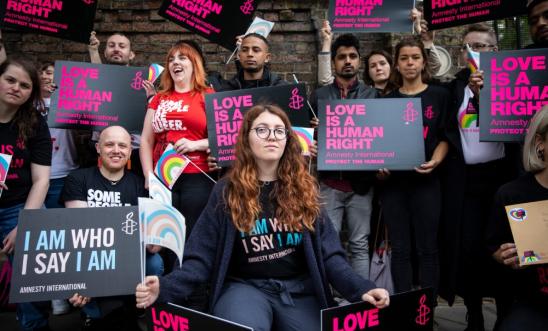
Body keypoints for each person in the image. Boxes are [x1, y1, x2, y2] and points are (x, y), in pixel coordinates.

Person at [135, 104, 390, 331]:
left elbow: (331, 256)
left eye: (279, 131)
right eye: (262, 130)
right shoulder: (226, 190)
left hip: (297, 292)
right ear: (246, 139)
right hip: (244, 289)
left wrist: (362, 289)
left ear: (287, 141)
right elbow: (200, 258)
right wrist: (166, 287)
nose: (272, 137)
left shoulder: (304, 189)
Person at [430, 23, 514, 331]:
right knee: (468, 251)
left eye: (482, 46)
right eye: (470, 47)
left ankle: (505, 313)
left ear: (495, 51)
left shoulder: (509, 84)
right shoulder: (456, 88)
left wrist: (485, 94)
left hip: (500, 181)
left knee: (502, 249)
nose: (475, 52)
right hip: (465, 183)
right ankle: (474, 313)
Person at [60, 125, 163, 330]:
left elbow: (153, 246)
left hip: (127, 258)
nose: (116, 150)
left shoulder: (140, 185)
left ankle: (135, 305)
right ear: (98, 148)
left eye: (122, 146)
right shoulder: (78, 179)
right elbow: (82, 234)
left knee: (154, 262)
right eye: (109, 144)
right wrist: (86, 281)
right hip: (92, 257)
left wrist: (156, 237)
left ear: (129, 150)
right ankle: (95, 310)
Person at [380, 38, 450, 299]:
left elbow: (446, 136)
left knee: (428, 249)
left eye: (415, 58)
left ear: (423, 62)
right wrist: (380, 168)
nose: (410, 63)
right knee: (400, 249)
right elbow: (379, 142)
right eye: (404, 58)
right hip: (394, 185)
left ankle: (427, 311)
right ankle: (403, 311)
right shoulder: (386, 100)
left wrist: (436, 161)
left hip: (427, 183)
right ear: (396, 64)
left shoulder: (439, 95)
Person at [311, 33, 376, 281]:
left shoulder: (373, 96)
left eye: (352, 56)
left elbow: (380, 136)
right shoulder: (319, 96)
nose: (347, 61)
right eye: (341, 57)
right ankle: (331, 299)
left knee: (359, 244)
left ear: (359, 60)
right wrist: (313, 138)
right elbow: (304, 138)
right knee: (328, 243)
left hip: (361, 186)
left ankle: (361, 299)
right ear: (334, 62)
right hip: (329, 183)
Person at [0, 59, 52, 330]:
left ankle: (34, 324)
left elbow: (41, 180)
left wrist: (25, 225)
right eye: (10, 80)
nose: (16, 88)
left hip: (18, 205)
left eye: (24, 85)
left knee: (34, 258)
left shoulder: (35, 125)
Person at [486, 105, 548, 331]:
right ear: (540, 142)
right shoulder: (512, 194)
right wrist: (503, 256)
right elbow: (494, 246)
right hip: (534, 302)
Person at [38, 61, 79, 316]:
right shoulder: (28, 106)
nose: (47, 77)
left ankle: (71, 292)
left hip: (67, 173)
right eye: (42, 73)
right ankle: (55, 295)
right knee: (44, 241)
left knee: (70, 239)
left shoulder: (71, 103)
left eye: (51, 73)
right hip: (38, 177)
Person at [316, 8, 440, 87]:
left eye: (382, 63)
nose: (378, 68)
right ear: (367, 72)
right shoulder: (365, 94)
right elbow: (326, 81)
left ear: (393, 66)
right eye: (373, 66)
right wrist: (327, 41)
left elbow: (433, 67)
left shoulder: (403, 89)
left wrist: (426, 41)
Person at [88, 31, 153, 176]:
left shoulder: (144, 83)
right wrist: (93, 50)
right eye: (111, 45)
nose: (116, 49)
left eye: (122, 46)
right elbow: (100, 75)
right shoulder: (94, 79)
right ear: (105, 53)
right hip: (100, 148)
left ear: (131, 54)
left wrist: (151, 99)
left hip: (134, 151)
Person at [213, 33, 287, 91]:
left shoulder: (282, 88)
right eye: (245, 50)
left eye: (256, 50)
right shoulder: (226, 91)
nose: (250, 54)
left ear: (267, 58)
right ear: (239, 56)